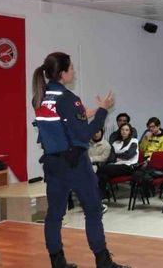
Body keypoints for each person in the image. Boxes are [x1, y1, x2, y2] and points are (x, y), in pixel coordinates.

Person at [32, 52, 129, 268]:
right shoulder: (68, 99)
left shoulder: (39, 96)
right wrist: (103, 111)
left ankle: (58, 262)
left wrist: (89, 111)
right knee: (93, 212)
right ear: (63, 73)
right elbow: (86, 133)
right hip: (75, 165)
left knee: (54, 215)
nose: (74, 71)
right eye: (72, 68)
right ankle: (103, 262)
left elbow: (64, 122)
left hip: (52, 164)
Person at [97, 123, 138, 202]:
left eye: (127, 130)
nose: (124, 132)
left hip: (128, 166)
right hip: (117, 166)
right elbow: (112, 157)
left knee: (101, 169)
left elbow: (129, 155)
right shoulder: (115, 143)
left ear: (130, 132)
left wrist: (117, 155)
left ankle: (99, 194)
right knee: (103, 174)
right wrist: (119, 155)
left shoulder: (134, 141)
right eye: (122, 130)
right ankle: (101, 195)